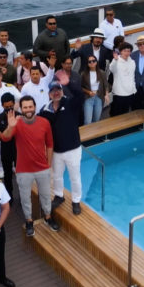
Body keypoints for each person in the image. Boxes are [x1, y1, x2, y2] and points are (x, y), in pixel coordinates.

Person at [0, 95, 59, 236]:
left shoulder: (44, 122)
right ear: (21, 109)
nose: (28, 109)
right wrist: (10, 126)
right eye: (25, 107)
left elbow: (50, 145)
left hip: (42, 168)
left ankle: (48, 217)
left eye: (30, 107)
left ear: (35, 107)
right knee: (25, 198)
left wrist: (48, 164)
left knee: (45, 195)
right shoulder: (16, 123)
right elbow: (5, 137)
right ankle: (29, 220)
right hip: (23, 170)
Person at [41, 83, 83, 215]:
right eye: (52, 91)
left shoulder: (70, 103)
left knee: (74, 177)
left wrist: (69, 83)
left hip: (73, 149)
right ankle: (59, 196)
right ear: (49, 94)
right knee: (57, 176)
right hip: (56, 151)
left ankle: (76, 201)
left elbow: (80, 95)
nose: (56, 93)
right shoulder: (45, 110)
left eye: (58, 89)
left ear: (62, 91)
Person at [109, 42, 137, 117]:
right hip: (119, 93)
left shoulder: (133, 62)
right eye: (124, 51)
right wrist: (115, 60)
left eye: (128, 51)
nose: (126, 53)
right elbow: (111, 69)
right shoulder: (116, 61)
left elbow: (132, 76)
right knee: (116, 114)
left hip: (130, 92)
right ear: (120, 51)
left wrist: (134, 89)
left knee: (126, 113)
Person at [80, 52, 108, 124]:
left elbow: (106, 85)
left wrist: (106, 95)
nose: (92, 63)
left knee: (96, 120)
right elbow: (81, 87)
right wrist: (89, 92)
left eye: (93, 61)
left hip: (99, 98)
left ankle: (96, 134)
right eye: (89, 61)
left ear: (96, 62)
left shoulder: (102, 73)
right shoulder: (83, 74)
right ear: (87, 63)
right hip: (88, 98)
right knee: (87, 121)